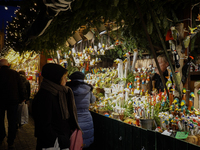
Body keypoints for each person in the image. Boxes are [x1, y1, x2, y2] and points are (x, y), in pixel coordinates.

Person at [32, 63, 81, 150]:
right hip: (52, 144)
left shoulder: (59, 92)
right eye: (64, 77)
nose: (66, 80)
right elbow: (43, 124)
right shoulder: (46, 96)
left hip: (60, 141)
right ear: (56, 78)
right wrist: (58, 139)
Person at [66, 71, 96, 149]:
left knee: (74, 141)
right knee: (84, 142)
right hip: (86, 118)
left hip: (72, 119)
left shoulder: (67, 89)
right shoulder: (88, 89)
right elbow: (93, 100)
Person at [0, 59, 25, 148]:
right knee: (12, 120)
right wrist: (22, 98)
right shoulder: (14, 73)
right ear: (8, 64)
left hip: (0, 101)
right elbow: (20, 87)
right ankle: (11, 139)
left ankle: (1, 135)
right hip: (13, 100)